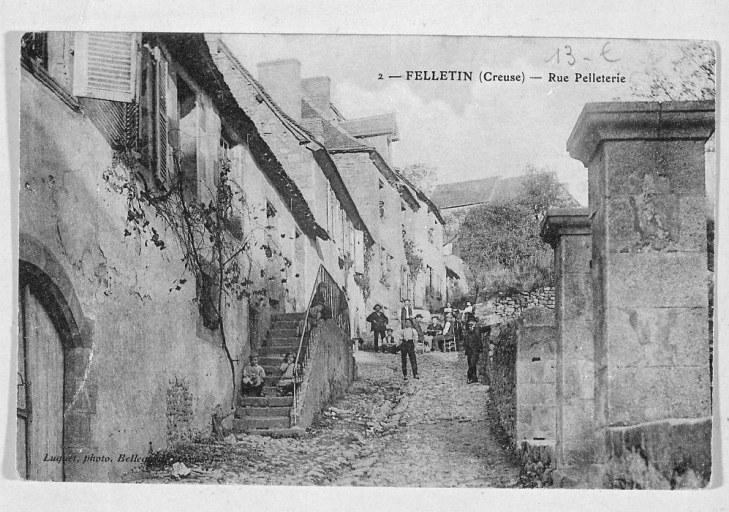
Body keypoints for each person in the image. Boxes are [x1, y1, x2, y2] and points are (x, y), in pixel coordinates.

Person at [464, 318, 483, 383]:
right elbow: (466, 342)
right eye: (469, 325)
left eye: (472, 324)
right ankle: (474, 378)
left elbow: (485, 329)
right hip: (469, 350)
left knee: (472, 363)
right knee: (471, 364)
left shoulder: (477, 330)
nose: (471, 326)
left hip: (475, 349)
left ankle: (469, 377)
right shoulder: (467, 333)